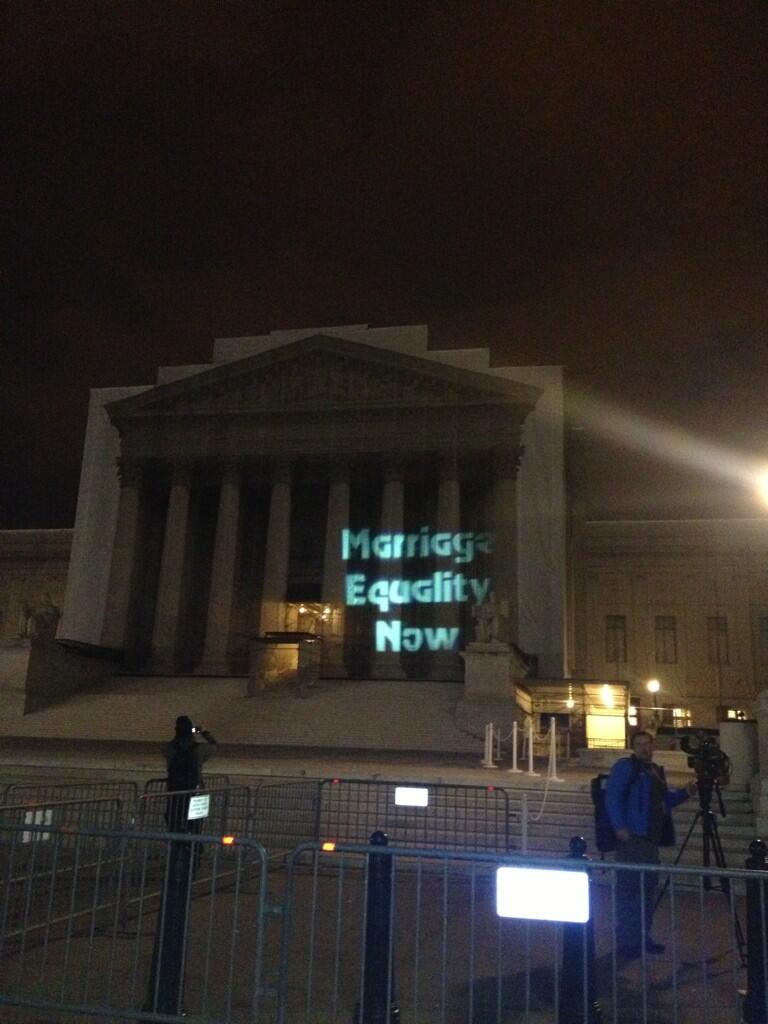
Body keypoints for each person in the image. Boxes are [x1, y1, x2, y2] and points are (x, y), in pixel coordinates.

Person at [605, 729, 696, 958]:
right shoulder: (626, 767)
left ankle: (642, 937)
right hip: (632, 838)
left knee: (646, 890)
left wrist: (686, 792)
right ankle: (627, 941)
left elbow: (665, 800)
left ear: (653, 745)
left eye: (647, 743)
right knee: (629, 891)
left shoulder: (654, 771)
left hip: (649, 839)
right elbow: (612, 796)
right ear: (633, 747)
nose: (644, 748)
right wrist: (620, 827)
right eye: (639, 744)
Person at [161, 715, 218, 832]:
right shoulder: (199, 749)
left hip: (175, 791)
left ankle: (176, 844)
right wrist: (202, 732)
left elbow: (169, 748)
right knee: (195, 823)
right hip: (194, 790)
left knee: (174, 821)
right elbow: (215, 746)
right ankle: (194, 845)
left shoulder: (169, 749)